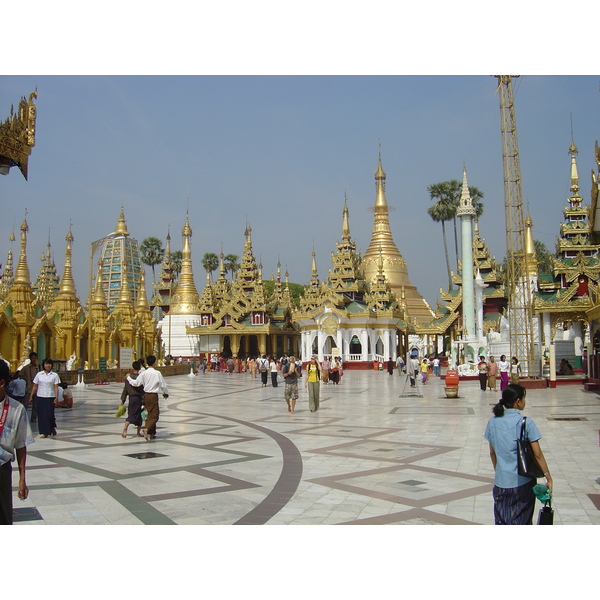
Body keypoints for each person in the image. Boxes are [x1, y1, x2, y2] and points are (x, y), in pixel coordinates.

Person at [484, 384, 553, 525]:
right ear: (518, 401)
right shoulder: (525, 423)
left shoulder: (492, 422)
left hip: (501, 483)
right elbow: (537, 454)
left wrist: (500, 470)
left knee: (502, 521)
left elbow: (492, 452)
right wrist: (548, 477)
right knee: (522, 520)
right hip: (522, 483)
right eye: (524, 398)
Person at [0, 359, 34, 525]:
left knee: (4, 517)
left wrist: (22, 479)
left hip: (2, 470)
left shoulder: (16, 409)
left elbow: (21, 445)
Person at [127, 355, 168, 441]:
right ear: (154, 362)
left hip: (146, 395)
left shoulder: (144, 373)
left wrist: (128, 378)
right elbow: (163, 385)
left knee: (150, 414)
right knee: (155, 415)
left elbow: (136, 383)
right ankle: (147, 429)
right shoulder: (157, 373)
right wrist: (165, 393)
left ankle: (152, 433)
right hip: (153, 395)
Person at [29, 358, 60, 439]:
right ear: (44, 365)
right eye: (46, 364)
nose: (48, 365)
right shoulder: (39, 374)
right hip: (40, 396)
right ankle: (45, 432)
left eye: (49, 364)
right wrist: (31, 396)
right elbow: (35, 386)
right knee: (42, 415)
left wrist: (56, 398)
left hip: (50, 396)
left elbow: (56, 387)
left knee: (50, 415)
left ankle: (52, 427)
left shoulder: (54, 375)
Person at [120, 361, 144, 438]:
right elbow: (142, 390)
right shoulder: (140, 377)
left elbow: (125, 390)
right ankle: (138, 433)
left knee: (131, 413)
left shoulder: (128, 377)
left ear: (132, 368)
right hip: (138, 398)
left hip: (131, 398)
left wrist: (123, 400)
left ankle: (125, 428)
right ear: (140, 367)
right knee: (138, 415)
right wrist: (144, 401)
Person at [21, 351, 40, 423]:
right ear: (30, 358)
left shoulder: (38, 368)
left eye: (35, 358)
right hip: (28, 388)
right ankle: (23, 418)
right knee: (26, 404)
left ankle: (33, 418)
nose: (34, 359)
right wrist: (25, 379)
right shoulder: (26, 368)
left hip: (36, 389)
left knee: (35, 405)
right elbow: (20, 374)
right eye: (33, 358)